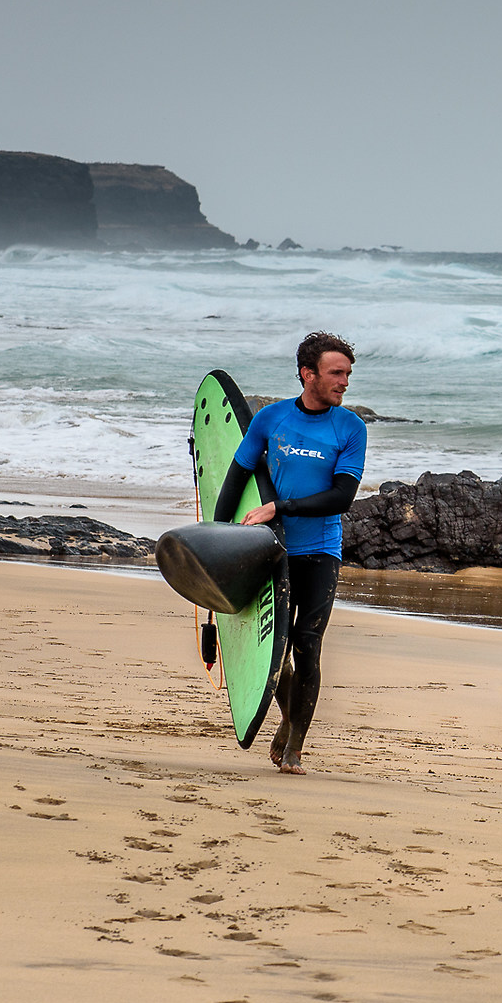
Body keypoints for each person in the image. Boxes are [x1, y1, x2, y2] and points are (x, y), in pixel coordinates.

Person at [215, 332, 367, 774]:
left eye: (348, 374)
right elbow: (237, 476)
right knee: (275, 650)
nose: (344, 382)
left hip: (320, 551)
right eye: (336, 373)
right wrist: (220, 539)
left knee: (307, 646)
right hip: (271, 551)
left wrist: (279, 506)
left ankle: (295, 744)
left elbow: (341, 498)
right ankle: (288, 719)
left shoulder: (350, 428)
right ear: (308, 374)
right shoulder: (271, 419)